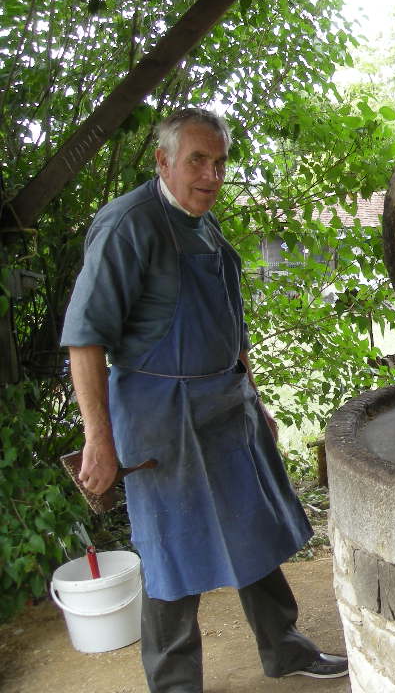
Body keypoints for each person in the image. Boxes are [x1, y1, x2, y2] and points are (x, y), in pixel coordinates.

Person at [60, 108, 347, 691]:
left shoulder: (204, 222)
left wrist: (255, 399)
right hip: (161, 420)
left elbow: (227, 324)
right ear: (163, 161)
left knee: (256, 530)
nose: (211, 176)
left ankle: (284, 648)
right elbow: (85, 339)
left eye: (219, 163)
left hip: (226, 408)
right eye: (197, 161)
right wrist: (99, 439)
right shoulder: (128, 226)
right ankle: (174, 684)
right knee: (172, 556)